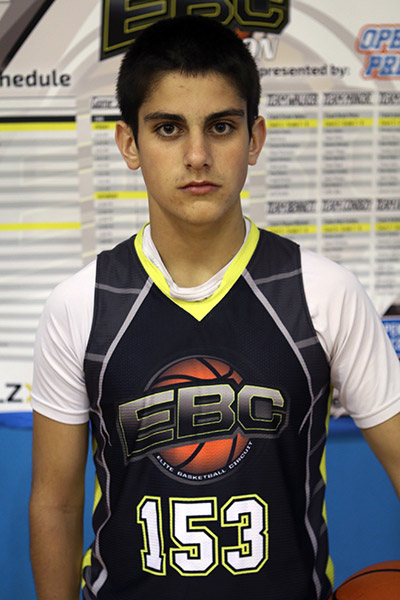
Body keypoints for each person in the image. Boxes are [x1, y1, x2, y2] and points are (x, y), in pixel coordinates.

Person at [29, 15, 400, 600]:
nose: (197, 155)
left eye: (221, 127)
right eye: (168, 128)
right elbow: (55, 502)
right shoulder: (80, 304)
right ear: (129, 143)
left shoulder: (323, 293)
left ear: (254, 139)